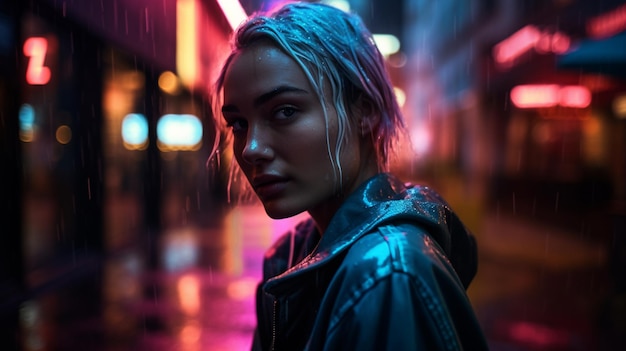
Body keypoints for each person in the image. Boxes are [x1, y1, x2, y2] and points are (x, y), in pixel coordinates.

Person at [212, 2, 488, 350]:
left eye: (284, 111)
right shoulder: (299, 254)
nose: (250, 148)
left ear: (366, 112)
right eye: (238, 123)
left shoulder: (386, 275)